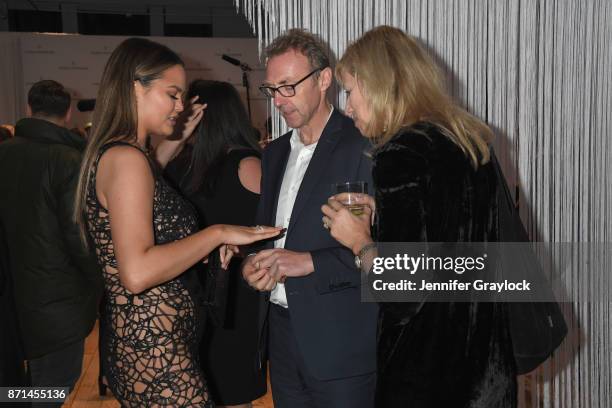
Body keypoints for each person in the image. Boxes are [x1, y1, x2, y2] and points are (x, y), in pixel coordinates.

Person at [73, 38, 281, 407]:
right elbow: (136, 272)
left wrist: (172, 144)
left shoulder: (127, 155)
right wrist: (216, 233)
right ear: (135, 87)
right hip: (156, 351)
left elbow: (149, 202)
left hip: (151, 345)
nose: (180, 106)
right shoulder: (126, 159)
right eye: (172, 94)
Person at [321, 26, 517, 407]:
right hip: (484, 366)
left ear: (378, 85)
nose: (347, 108)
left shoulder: (400, 154)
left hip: (426, 375)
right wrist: (387, 212)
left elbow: (402, 294)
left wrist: (359, 240)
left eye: (349, 91)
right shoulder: (469, 140)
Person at [242, 29, 378, 408]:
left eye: (289, 86)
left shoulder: (363, 144)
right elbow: (268, 236)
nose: (279, 100)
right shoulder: (274, 153)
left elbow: (384, 253)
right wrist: (252, 262)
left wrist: (309, 262)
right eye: (272, 89)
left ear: (323, 79)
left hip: (342, 342)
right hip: (281, 333)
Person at [163, 79, 266, 408]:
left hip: (197, 288)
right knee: (233, 392)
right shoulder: (249, 164)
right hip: (235, 293)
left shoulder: (178, 166)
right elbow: (271, 230)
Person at [0, 80, 104, 402]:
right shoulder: (71, 161)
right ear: (69, 112)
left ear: (28, 109)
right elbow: (80, 236)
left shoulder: (4, 153)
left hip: (11, 293)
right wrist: (99, 281)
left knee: (18, 387)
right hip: (58, 299)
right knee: (51, 387)